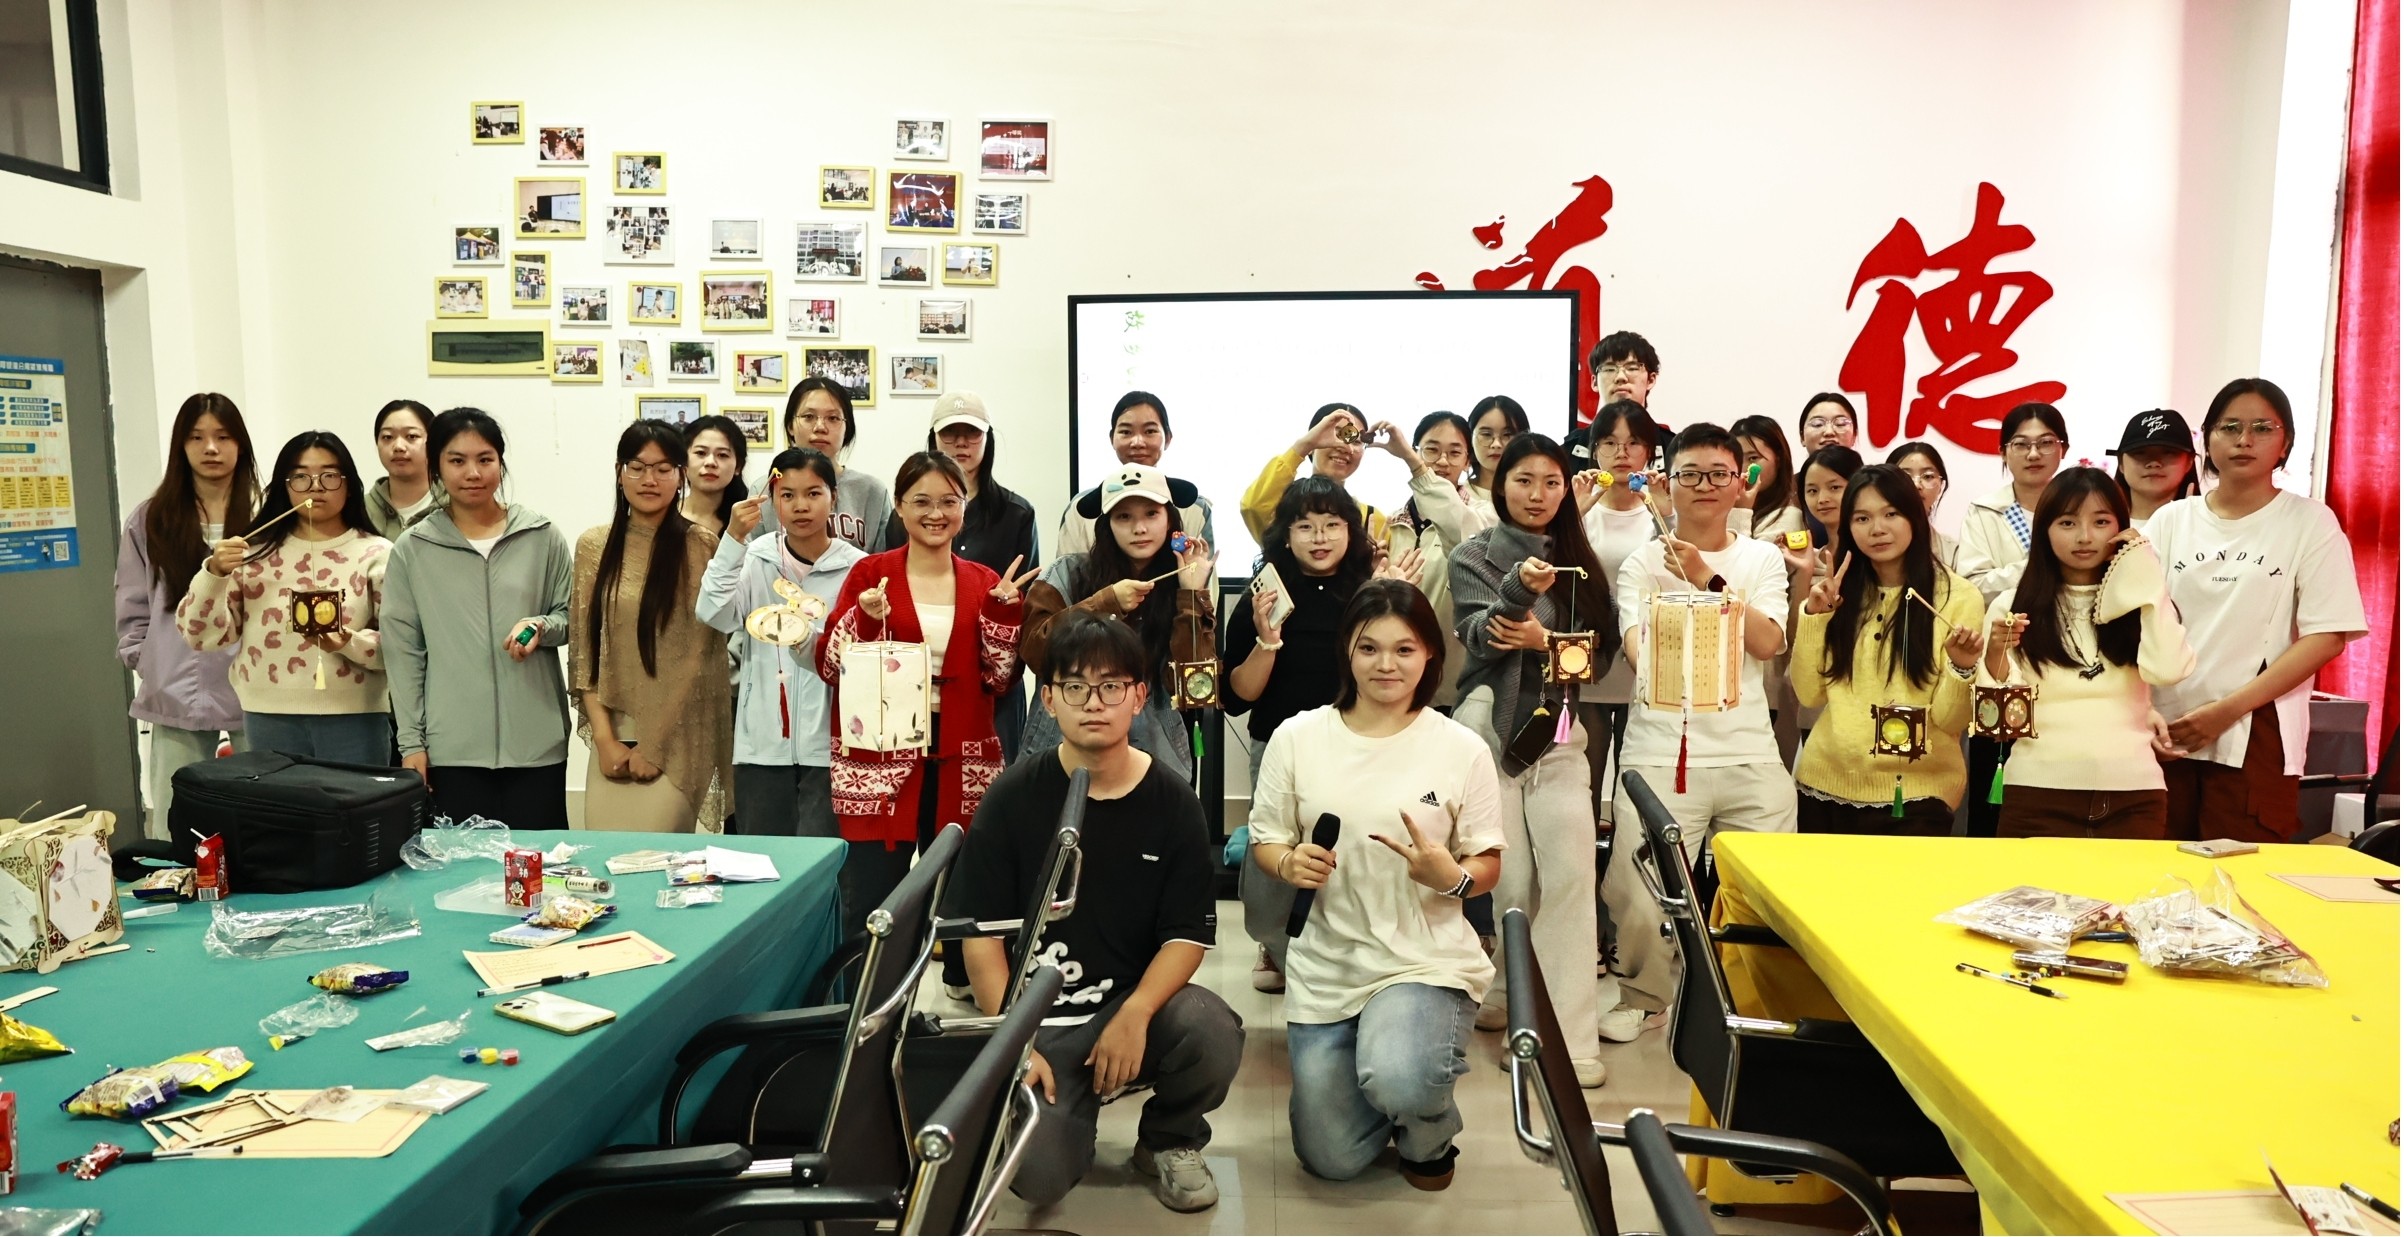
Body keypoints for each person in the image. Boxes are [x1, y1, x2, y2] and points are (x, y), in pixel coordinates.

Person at [950, 612, 1242, 1214]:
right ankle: (1067, 1117)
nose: (1094, 703)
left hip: (1130, 1007)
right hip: (1039, 1019)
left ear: (1138, 696)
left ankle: (1169, 1138)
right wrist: (1013, 1040)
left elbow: (1187, 935)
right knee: (1038, 1180)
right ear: (1048, 700)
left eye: (1111, 686)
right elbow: (980, 936)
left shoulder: (1173, 802)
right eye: (1076, 687)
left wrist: (1136, 1012)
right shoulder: (1012, 796)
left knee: (1211, 1028)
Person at [1251, 579, 1503, 1189]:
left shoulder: (1462, 748)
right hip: (1327, 961)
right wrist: (1288, 864)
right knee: (1330, 1158)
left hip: (1423, 959)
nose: (1386, 664)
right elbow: (1266, 841)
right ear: (1347, 652)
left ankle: (1425, 1126)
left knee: (1403, 1077)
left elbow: (1487, 862)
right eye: (1369, 648)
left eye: (1404, 649)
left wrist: (1453, 878)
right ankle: (1388, 1084)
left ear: (1430, 655)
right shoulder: (1297, 737)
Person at [1607, 423, 1793, 1025]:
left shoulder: (1761, 557)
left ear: (1741, 482)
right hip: (1662, 752)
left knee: (1771, 892)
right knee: (1638, 891)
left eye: (1719, 474)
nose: (1705, 486)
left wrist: (1707, 581)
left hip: (1749, 752)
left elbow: (1767, 643)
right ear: (1669, 482)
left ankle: (1757, 1003)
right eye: (1690, 474)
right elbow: (1636, 653)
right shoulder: (1641, 561)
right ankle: (1645, 999)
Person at [816, 452, 1034, 960]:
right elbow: (830, 664)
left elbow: (1000, 679)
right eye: (921, 502)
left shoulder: (984, 582)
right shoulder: (871, 573)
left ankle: (963, 986)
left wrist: (1003, 615)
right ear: (899, 506)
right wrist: (864, 619)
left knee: (964, 893)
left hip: (964, 756)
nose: (936, 514)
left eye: (949, 502)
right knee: (874, 901)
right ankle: (866, 999)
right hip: (879, 764)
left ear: (964, 507)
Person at [1449, 434, 1617, 1084]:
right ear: (1501, 485)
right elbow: (1479, 637)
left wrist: (1547, 640)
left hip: (1560, 733)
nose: (1538, 494)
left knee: (1572, 875)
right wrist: (1517, 590)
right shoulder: (1473, 555)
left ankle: (1566, 1040)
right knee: (1512, 884)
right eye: (1524, 480)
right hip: (1489, 732)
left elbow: (1599, 658)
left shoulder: (1580, 560)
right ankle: (1509, 997)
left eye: (1551, 482)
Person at [2149, 378, 2366, 843]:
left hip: (2258, 729)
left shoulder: (2309, 521)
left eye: (2262, 428)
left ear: (2285, 443)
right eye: (2229, 427)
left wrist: (2226, 711)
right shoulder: (2170, 520)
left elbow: (2327, 636)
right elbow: (2138, 623)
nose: (2244, 440)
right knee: (2153, 866)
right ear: (2207, 439)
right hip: (2165, 727)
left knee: (2243, 871)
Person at [1224, 477, 1406, 994]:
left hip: (1360, 744)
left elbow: (1398, 674)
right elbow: (1238, 696)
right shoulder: (1266, 594)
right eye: (1305, 526)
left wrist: (1395, 601)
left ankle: (1358, 953)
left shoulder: (1369, 591)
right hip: (1278, 748)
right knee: (1277, 853)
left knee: (1360, 850)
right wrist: (1267, 641)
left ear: (1352, 531)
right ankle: (1277, 944)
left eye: (1332, 524)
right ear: (1285, 534)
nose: (1319, 537)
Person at [384, 408, 575, 829]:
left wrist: (540, 627)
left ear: (500, 463)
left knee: (539, 860)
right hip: (452, 748)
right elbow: (403, 653)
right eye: (457, 460)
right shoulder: (413, 548)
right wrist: (412, 743)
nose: (473, 473)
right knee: (461, 865)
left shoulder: (542, 536)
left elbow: (569, 616)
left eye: (485, 459)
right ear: (437, 466)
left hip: (536, 743)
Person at [1986, 469, 2195, 838]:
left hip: (2135, 794)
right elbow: (1996, 718)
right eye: (2067, 523)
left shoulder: (2143, 604)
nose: (2084, 537)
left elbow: (2168, 671)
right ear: (2045, 530)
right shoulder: (2012, 605)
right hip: (2037, 792)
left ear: (2122, 527)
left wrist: (2144, 573)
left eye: (2101, 522)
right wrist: (1995, 652)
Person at [1788, 466, 1986, 834]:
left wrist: (1962, 668)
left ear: (1915, 517)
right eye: (1862, 518)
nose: (1877, 529)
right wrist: (1815, 617)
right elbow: (1809, 694)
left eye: (1891, 514)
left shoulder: (1958, 597)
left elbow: (1951, 721)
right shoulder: (1836, 593)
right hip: (1824, 785)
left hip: (1918, 796)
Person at [177, 431, 394, 765]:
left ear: (349, 484)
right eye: (301, 477)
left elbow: (401, 646)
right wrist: (214, 573)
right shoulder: (252, 554)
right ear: (285, 486)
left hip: (356, 717)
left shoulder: (377, 554)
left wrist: (347, 642)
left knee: (355, 801)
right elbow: (201, 636)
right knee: (279, 801)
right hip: (267, 716)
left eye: (330, 475)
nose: (316, 487)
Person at [571, 421, 733, 832]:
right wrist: (604, 741)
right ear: (619, 472)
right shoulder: (593, 546)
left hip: (678, 737)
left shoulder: (700, 545)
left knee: (662, 859)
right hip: (613, 732)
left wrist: (655, 745)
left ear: (681, 475)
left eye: (663, 469)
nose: (650, 480)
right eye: (638, 467)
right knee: (606, 857)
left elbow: (701, 657)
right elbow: (584, 651)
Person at [697, 448, 863, 837]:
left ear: (834, 497)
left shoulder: (858, 567)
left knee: (821, 862)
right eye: (787, 495)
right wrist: (733, 539)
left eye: (813, 493)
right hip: (762, 746)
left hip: (831, 749)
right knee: (763, 860)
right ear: (772, 500)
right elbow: (713, 612)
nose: (800, 506)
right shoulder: (756, 557)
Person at [115, 394, 258, 837]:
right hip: (176, 685)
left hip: (253, 686)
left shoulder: (265, 514)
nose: (210, 448)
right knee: (174, 816)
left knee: (261, 811)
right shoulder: (151, 519)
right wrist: (145, 658)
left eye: (223, 436)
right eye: (197, 438)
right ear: (181, 445)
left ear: (241, 444)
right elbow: (132, 601)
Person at [1019, 464, 1214, 782]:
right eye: (1124, 517)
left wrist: (1191, 596)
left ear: (1170, 521)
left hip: (1154, 751)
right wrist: (1105, 602)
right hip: (1063, 743)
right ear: (1107, 525)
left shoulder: (1180, 584)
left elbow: (1196, 690)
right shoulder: (1068, 573)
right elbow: (1034, 651)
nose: (1140, 528)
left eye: (1151, 513)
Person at [883, 393, 1040, 759]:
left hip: (992, 686)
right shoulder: (904, 516)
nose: (961, 443)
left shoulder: (1017, 514)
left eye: (972, 434)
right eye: (950, 434)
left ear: (987, 439)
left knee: (992, 785)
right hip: (913, 682)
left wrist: (1004, 609)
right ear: (933, 440)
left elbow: (1026, 602)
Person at [1573, 400, 1665, 813]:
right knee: (1583, 784)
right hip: (1588, 663)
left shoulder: (1659, 512)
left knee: (1638, 789)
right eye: (1610, 442)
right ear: (1594, 451)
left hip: (1644, 666)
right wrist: (1572, 515)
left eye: (1633, 443)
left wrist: (1666, 517)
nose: (1621, 453)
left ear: (1649, 452)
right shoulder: (1580, 510)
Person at [1386, 411, 1492, 709]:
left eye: (1455, 453)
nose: (1443, 461)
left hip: (1452, 676)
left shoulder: (1481, 515)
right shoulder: (1392, 523)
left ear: (1468, 461)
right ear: (1418, 449)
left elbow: (1455, 524)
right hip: (1397, 672)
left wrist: (1413, 462)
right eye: (1431, 450)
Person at [1059, 391, 1218, 565]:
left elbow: (1202, 575)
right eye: (1126, 432)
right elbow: (1066, 576)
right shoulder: (1081, 508)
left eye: (1150, 431)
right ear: (1112, 439)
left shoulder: (1194, 508)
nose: (1137, 442)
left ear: (1168, 438)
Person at [1958, 401, 2068, 603]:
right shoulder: (1984, 511)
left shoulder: (2079, 508)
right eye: (2021, 444)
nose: (2033, 454)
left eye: (2045, 443)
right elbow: (1971, 586)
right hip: (2007, 620)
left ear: (2063, 449)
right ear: (2003, 453)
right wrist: (2040, 567)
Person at [1239, 403, 1389, 543]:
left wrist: (1402, 455)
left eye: (1356, 441)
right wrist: (1302, 446)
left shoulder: (1372, 519)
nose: (1346, 447)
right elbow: (1254, 507)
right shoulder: (1285, 507)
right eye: (1337, 435)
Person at [778, 376, 892, 552]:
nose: (820, 427)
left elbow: (887, 561)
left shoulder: (872, 491)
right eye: (808, 417)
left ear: (847, 429)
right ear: (790, 426)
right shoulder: (767, 488)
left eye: (832, 418)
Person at [1565, 332, 1659, 469]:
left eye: (1632, 368)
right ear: (1594, 382)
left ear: (1651, 380)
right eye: (1609, 369)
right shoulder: (1564, 456)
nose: (1620, 377)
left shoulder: (1674, 450)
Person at [2107, 409, 2201, 529]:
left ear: (2189, 461)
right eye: (2140, 452)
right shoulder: (2102, 529)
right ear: (2121, 463)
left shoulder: (2205, 527)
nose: (2154, 463)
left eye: (2168, 452)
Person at [366, 399, 442, 540]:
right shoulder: (361, 511)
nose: (398, 446)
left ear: (433, 443)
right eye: (388, 437)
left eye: (412, 436)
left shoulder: (453, 506)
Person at [1885, 440, 1957, 567]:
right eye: (1905, 476)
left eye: (1928, 476)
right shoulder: (1873, 541)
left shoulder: (1952, 552)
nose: (1916, 485)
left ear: (1941, 485)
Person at [678, 414, 748, 540]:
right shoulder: (663, 515)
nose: (710, 462)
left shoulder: (746, 522)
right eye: (701, 453)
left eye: (722, 455)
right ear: (683, 460)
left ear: (738, 466)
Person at [1463, 394, 1531, 511]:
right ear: (1470, 438)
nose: (1496, 444)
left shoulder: (1535, 495)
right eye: (1486, 434)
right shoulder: (1455, 497)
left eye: (1507, 435)